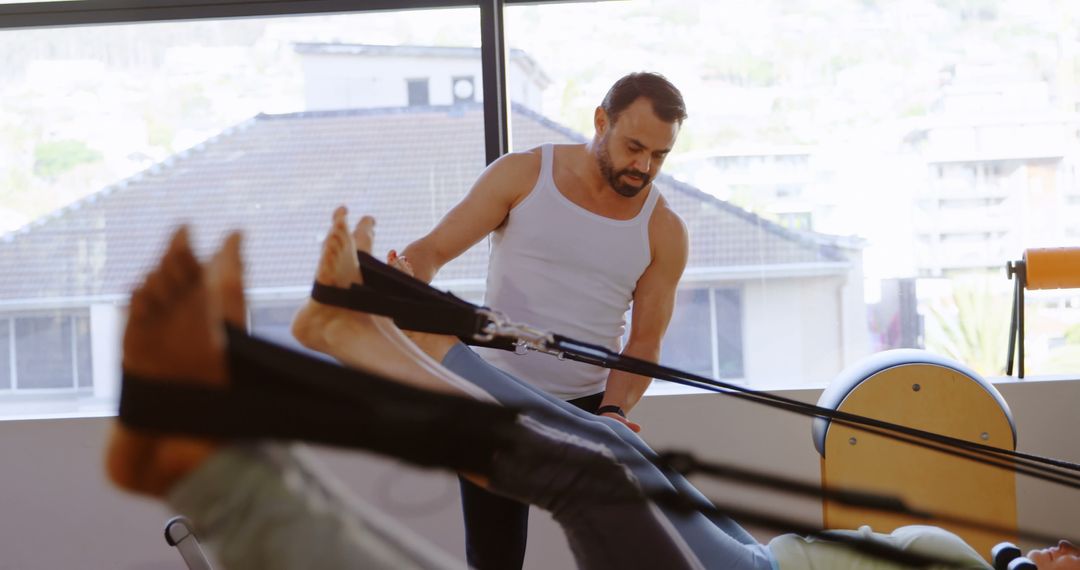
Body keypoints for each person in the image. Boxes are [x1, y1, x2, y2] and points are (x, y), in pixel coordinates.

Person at [108, 210, 1075, 570]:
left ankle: (240, 412)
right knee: (614, 450)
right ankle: (364, 333)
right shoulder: (997, 560)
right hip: (756, 557)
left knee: (596, 477)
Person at [396, 71, 691, 569]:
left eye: (659, 155)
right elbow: (431, 250)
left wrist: (614, 413)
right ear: (601, 121)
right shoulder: (523, 175)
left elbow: (643, 341)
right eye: (634, 146)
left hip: (589, 410)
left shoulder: (663, 230)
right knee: (494, 556)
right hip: (494, 394)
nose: (643, 166)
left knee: (616, 551)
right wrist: (403, 278)